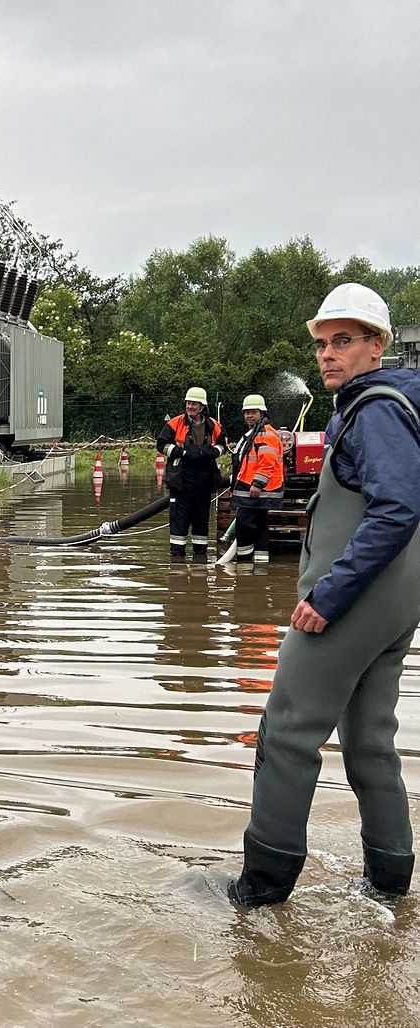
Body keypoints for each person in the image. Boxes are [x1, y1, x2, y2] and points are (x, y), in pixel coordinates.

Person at [229, 283, 420, 907]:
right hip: (394, 607)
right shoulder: (387, 406)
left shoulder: (378, 409)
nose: (328, 355)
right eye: (321, 344)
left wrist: (329, 596)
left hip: (351, 604)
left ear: (377, 344)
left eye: (343, 341)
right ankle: (390, 894)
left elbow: (396, 509)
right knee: (369, 744)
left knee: (286, 733)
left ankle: (259, 896)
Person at [156, 387, 226, 560]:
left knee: (201, 519)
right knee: (179, 520)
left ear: (202, 406)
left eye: (194, 403)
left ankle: (200, 558)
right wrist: (183, 453)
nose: (190, 406)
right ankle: (177, 559)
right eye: (188, 403)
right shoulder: (175, 423)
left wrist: (212, 452)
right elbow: (161, 445)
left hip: (204, 477)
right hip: (181, 477)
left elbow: (223, 445)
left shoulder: (213, 425)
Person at [230, 394, 284, 564]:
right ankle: (260, 567)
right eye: (246, 412)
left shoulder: (265, 434)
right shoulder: (255, 432)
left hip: (256, 490)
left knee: (244, 525)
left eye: (253, 412)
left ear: (262, 413)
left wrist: (257, 484)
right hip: (256, 489)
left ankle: (244, 564)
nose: (249, 416)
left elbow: (267, 462)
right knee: (260, 526)